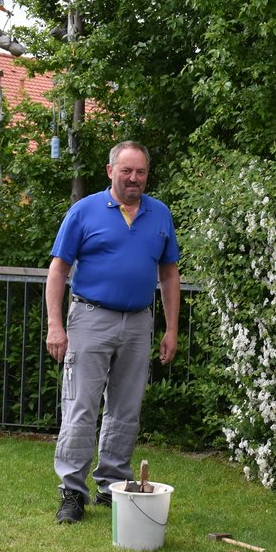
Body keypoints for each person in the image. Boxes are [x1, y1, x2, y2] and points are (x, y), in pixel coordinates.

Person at [45, 140, 181, 524]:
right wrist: (56, 325)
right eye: (126, 170)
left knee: (126, 409)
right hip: (90, 318)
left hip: (139, 322)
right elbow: (58, 269)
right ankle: (72, 491)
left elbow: (169, 274)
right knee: (81, 407)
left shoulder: (159, 214)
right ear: (110, 171)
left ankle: (112, 487)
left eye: (140, 172)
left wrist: (171, 329)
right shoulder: (84, 211)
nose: (133, 178)